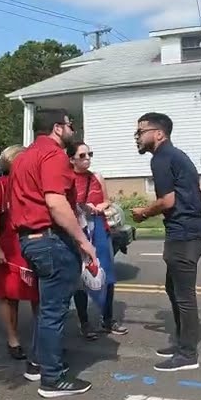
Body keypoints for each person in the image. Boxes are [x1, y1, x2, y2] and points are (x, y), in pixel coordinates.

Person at [10, 108, 98, 398]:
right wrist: (83, 242)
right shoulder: (54, 155)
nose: (73, 130)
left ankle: (38, 363)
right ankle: (52, 378)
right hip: (50, 239)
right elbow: (55, 203)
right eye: (70, 125)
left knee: (46, 308)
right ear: (58, 128)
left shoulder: (23, 157)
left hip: (31, 240)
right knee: (53, 311)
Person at [130, 112, 201, 372]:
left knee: (183, 295)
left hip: (184, 231)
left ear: (159, 134)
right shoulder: (173, 156)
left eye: (141, 132)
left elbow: (168, 201)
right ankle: (182, 342)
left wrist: (143, 213)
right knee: (173, 288)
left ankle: (188, 354)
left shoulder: (162, 158)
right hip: (188, 229)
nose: (137, 137)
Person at [0, 144, 39, 361]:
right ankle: (13, 339)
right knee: (9, 297)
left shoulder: (33, 185)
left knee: (39, 295)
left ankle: (45, 338)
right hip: (7, 249)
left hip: (33, 245)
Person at [69, 142, 128, 338]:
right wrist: (82, 207)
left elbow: (106, 200)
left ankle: (108, 319)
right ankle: (84, 322)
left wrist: (100, 207)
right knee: (82, 275)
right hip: (79, 229)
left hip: (100, 228)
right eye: (82, 155)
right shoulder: (67, 179)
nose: (87, 158)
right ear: (71, 159)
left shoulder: (96, 177)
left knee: (106, 275)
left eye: (89, 154)